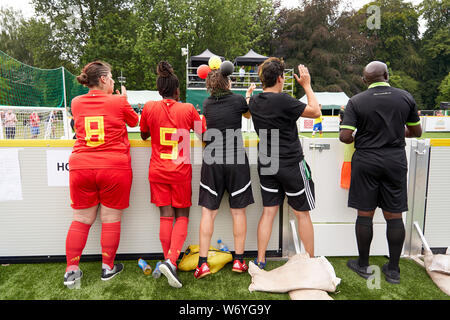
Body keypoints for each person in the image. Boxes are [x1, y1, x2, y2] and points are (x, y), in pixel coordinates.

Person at [339, 61, 422, 284]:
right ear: (387, 75)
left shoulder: (356, 101)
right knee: (394, 215)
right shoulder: (405, 97)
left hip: (366, 160)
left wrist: (363, 135)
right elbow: (416, 132)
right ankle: (393, 270)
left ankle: (363, 264)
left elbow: (345, 137)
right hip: (395, 159)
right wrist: (394, 130)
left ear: (364, 80)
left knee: (364, 214)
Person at [63, 60, 139, 288]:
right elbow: (134, 121)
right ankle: (107, 267)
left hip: (81, 166)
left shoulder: (76, 102)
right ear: (104, 79)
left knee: (82, 219)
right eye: (112, 76)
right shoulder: (118, 101)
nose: (114, 80)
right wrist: (123, 99)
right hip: (114, 167)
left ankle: (71, 270)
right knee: (110, 219)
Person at [248, 57, 320, 268]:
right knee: (302, 213)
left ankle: (260, 259)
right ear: (280, 78)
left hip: (267, 161)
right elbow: (315, 111)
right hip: (289, 161)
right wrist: (306, 85)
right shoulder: (285, 100)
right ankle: (310, 262)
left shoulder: (254, 101)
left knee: (269, 211)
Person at [140, 61, 206, 288]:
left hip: (157, 169)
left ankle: (167, 260)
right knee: (182, 216)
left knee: (166, 216)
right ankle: (171, 260)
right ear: (177, 90)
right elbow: (204, 136)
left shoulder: (149, 107)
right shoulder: (187, 109)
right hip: (180, 171)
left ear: (159, 89)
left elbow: (143, 136)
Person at [194, 70, 255, 279]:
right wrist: (248, 96)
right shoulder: (238, 100)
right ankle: (239, 261)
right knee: (238, 213)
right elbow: (248, 114)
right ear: (228, 83)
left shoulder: (207, 104)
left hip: (212, 161)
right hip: (236, 160)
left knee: (207, 213)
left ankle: (202, 264)